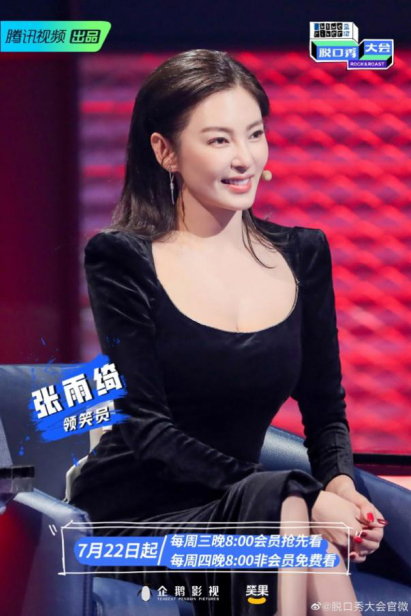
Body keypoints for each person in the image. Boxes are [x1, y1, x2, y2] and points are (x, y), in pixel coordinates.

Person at [69, 49, 387, 616]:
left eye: (255, 134)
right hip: (139, 519)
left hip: (252, 506)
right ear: (165, 151)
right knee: (286, 507)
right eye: (219, 140)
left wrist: (339, 485)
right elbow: (146, 430)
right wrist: (304, 495)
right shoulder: (121, 258)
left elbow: (324, 408)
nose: (245, 158)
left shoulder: (304, 253)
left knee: (291, 513)